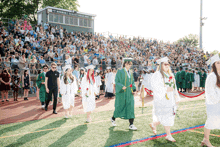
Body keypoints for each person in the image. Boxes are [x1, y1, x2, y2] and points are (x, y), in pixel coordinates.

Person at [149, 57, 180, 142]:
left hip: (170, 99)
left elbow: (174, 87)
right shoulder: (157, 75)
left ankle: (154, 124)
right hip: (162, 99)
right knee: (165, 116)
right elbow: (155, 87)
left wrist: (176, 96)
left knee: (167, 116)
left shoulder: (170, 75)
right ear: (161, 65)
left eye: (168, 64)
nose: (167, 66)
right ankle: (168, 135)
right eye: (165, 64)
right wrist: (165, 89)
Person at [111, 58, 137, 130]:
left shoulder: (130, 72)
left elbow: (132, 82)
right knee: (120, 107)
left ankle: (131, 124)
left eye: (130, 64)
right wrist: (121, 86)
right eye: (129, 64)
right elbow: (117, 81)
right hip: (122, 93)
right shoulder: (120, 71)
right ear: (125, 64)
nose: (130, 66)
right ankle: (113, 118)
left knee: (130, 107)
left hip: (129, 92)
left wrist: (134, 89)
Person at [201, 54, 220, 147]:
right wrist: (217, 99)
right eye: (218, 63)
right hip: (213, 103)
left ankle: (205, 139)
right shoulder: (212, 76)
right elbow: (210, 91)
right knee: (211, 120)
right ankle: (206, 140)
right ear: (214, 65)